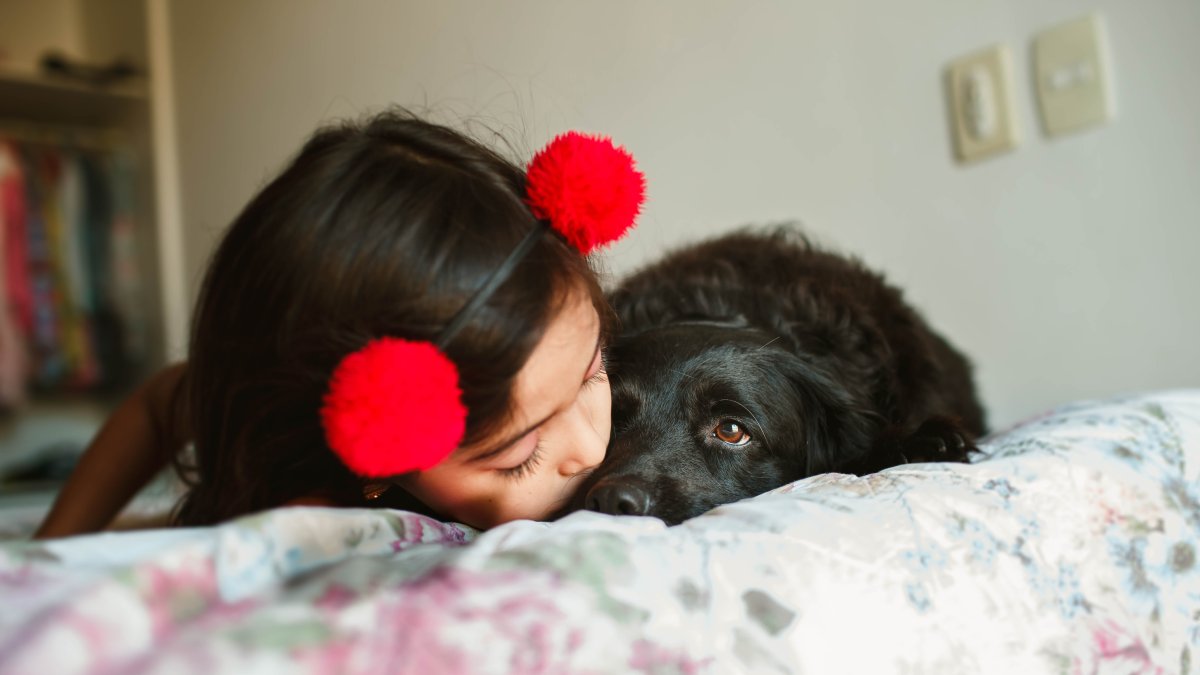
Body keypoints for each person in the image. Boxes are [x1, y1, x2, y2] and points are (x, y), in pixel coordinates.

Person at [34, 110, 645, 537]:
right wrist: (55, 546)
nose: (592, 449)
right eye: (519, 454)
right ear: (369, 445)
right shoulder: (308, 514)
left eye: (593, 374)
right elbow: (166, 403)